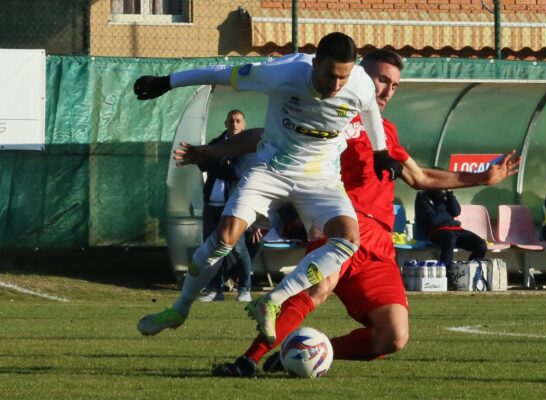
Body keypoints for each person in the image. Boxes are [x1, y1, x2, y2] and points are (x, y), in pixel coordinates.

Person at [189, 49, 522, 377]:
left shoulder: (385, 132)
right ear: (360, 76)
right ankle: (248, 360)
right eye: (381, 80)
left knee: (393, 336)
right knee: (320, 286)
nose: (387, 90)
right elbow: (261, 137)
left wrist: (483, 178)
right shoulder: (330, 113)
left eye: (394, 85)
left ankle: (306, 353)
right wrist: (213, 151)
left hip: (379, 246)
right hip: (343, 228)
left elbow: (420, 178)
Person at [134, 32, 405, 343]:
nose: (335, 86)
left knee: (347, 240)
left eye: (342, 78)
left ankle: (272, 301)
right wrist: (167, 82)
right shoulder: (284, 73)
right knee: (224, 237)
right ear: (314, 64)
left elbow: (369, 108)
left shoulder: (359, 83)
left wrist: (381, 153)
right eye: (330, 75)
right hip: (272, 170)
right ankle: (179, 310)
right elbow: (220, 74)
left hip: (320, 178)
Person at [198, 109, 252, 302]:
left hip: (233, 206)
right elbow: (201, 163)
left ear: (243, 125)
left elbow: (235, 172)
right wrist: (219, 159)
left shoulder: (247, 146)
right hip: (211, 204)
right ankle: (215, 289)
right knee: (211, 249)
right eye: (231, 120)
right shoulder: (217, 142)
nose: (234, 124)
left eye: (238, 121)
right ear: (225, 123)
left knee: (238, 249)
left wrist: (215, 158)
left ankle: (244, 288)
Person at [414, 189, 487, 267]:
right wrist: (441, 204)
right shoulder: (422, 198)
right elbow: (434, 220)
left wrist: (449, 194)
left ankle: (471, 270)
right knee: (450, 239)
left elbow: (456, 211)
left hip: (456, 229)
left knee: (481, 245)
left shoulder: (444, 196)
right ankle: (446, 271)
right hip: (437, 231)